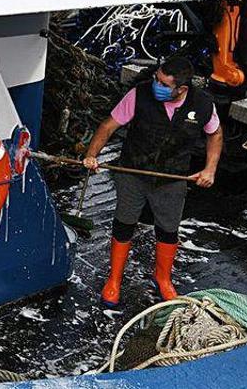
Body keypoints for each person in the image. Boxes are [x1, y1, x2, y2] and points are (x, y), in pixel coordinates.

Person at [81, 57, 222, 306]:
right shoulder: (139, 94)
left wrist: (209, 169)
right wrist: (92, 155)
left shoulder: (202, 104)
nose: (156, 85)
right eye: (156, 79)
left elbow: (215, 134)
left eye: (164, 84)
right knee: (124, 224)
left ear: (182, 89)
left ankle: (163, 278)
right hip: (133, 172)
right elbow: (108, 126)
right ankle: (114, 279)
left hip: (172, 177)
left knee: (168, 230)